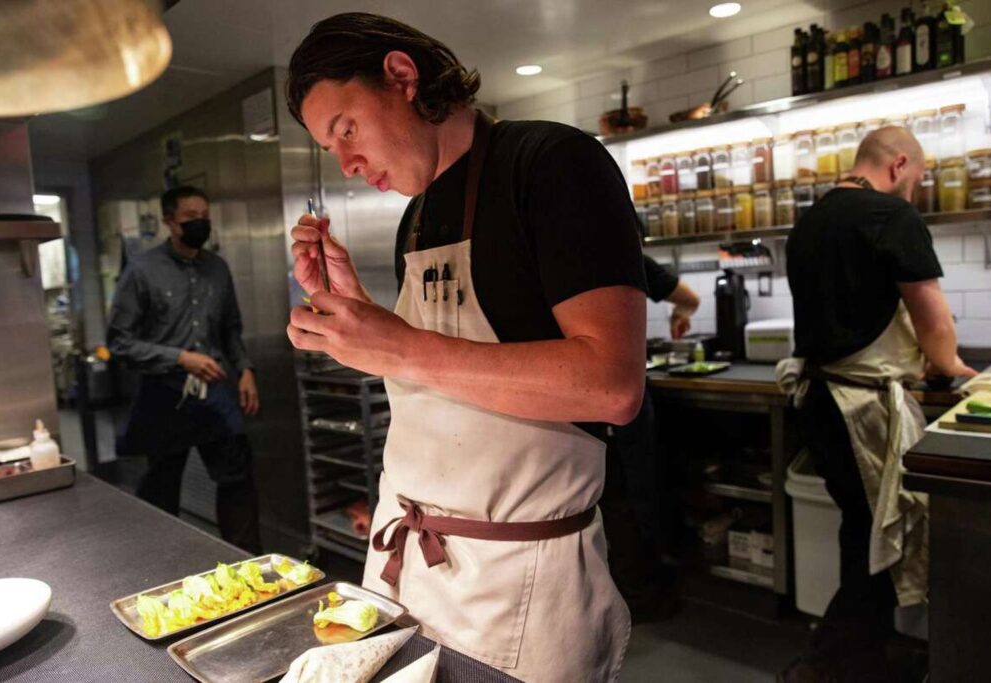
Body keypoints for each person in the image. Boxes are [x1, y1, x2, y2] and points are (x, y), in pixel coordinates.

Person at [284, 13, 646, 682]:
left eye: (347, 130)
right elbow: (444, 377)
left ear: (400, 77)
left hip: (518, 583)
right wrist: (360, 316)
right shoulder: (414, 220)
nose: (349, 161)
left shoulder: (552, 166)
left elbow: (612, 384)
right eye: (333, 149)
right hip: (406, 565)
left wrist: (399, 348)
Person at [778, 127, 976, 682]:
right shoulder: (892, 217)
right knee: (878, 537)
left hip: (819, 398)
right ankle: (823, 665)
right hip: (858, 406)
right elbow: (932, 316)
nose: (915, 190)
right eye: (916, 179)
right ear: (899, 164)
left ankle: (866, 657)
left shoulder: (809, 222)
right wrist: (950, 365)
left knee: (860, 531)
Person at [107, 186, 262, 553]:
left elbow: (231, 330)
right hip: (165, 395)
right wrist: (179, 358)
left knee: (238, 483)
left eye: (204, 216)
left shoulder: (217, 268)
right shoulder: (142, 270)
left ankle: (250, 567)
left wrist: (246, 370)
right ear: (169, 221)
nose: (200, 223)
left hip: (219, 394)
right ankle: (163, 571)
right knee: (160, 491)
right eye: (191, 217)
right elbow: (120, 342)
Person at [602, 255, 699, 621]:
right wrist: (681, 315)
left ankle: (622, 591)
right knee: (628, 497)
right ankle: (638, 596)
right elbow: (689, 297)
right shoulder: (624, 254)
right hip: (620, 398)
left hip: (571, 405)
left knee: (607, 499)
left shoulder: (554, 253)